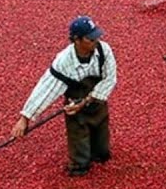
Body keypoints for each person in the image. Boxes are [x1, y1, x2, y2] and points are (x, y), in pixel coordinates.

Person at [12, 15, 118, 176]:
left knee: (102, 151)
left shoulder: (104, 50)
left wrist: (89, 99)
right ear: (77, 40)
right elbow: (46, 88)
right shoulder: (64, 62)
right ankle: (79, 167)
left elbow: (110, 78)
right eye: (91, 39)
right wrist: (25, 118)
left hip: (97, 101)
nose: (96, 41)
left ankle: (98, 154)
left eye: (97, 36)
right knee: (79, 146)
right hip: (75, 106)